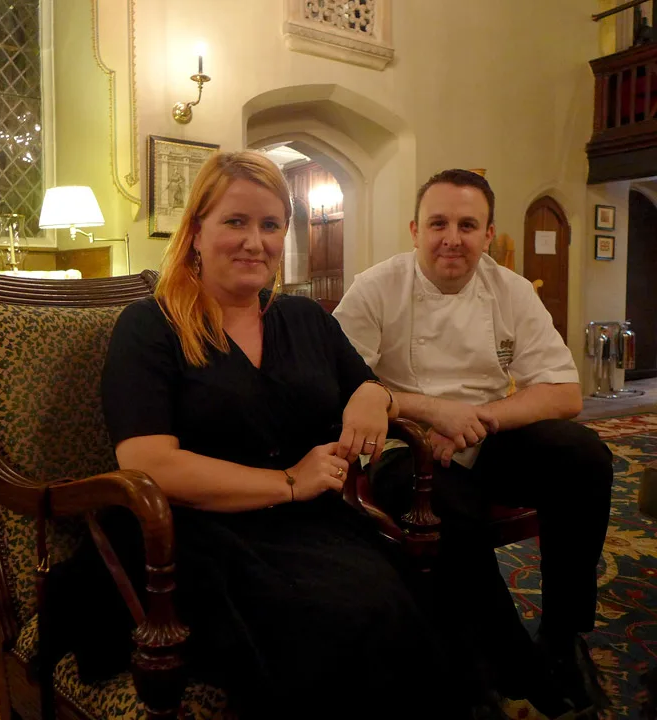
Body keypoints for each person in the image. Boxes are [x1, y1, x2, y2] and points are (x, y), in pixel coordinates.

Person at [100, 152, 476, 719]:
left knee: (415, 598)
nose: (255, 242)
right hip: (191, 535)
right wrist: (290, 482)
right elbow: (149, 463)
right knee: (336, 621)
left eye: (270, 225)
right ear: (196, 231)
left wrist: (371, 396)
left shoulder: (305, 318)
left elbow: (366, 382)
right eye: (236, 221)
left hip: (306, 525)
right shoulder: (149, 326)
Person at [333, 169, 614, 718]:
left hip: (486, 436)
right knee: (447, 509)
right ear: (415, 230)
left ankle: (562, 636)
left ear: (488, 235)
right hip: (403, 444)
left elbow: (564, 393)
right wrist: (429, 410)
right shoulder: (376, 288)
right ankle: (510, 666)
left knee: (584, 457)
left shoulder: (510, 290)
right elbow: (340, 384)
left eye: (467, 226)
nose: (451, 238)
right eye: (438, 223)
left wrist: (478, 418)